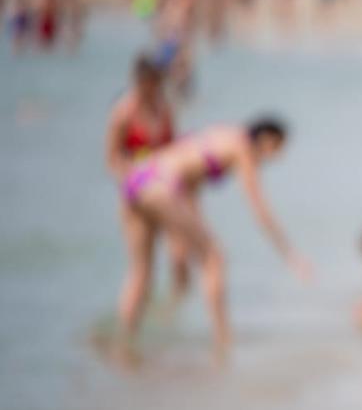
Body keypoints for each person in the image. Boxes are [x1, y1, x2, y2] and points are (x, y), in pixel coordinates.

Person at [117, 118, 311, 349]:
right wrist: (290, 255)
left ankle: (124, 344)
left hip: (136, 181)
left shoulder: (222, 134)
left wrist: (190, 237)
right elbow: (260, 209)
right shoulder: (243, 148)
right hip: (161, 186)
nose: (277, 157)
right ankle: (223, 341)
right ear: (267, 138)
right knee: (215, 258)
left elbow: (189, 188)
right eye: (278, 149)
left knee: (140, 273)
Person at [105, 54, 190, 299]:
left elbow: (173, 149)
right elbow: (112, 159)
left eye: (156, 83)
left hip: (167, 189)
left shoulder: (164, 109)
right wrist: (134, 177)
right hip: (138, 193)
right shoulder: (122, 113)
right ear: (138, 82)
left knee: (180, 255)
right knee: (143, 269)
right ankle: (128, 333)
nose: (152, 88)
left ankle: (176, 311)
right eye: (147, 83)